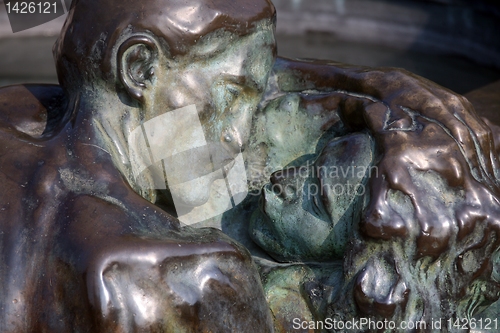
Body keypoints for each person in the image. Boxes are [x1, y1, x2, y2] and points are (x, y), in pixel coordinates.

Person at [1, 0, 498, 331]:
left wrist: (378, 82)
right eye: (234, 94)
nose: (240, 133)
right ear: (139, 69)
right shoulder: (190, 273)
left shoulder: (16, 113)